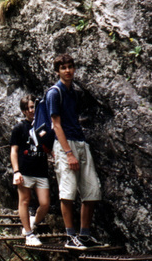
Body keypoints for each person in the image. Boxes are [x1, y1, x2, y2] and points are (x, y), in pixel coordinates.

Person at [48, 53, 104, 249]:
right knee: (68, 191)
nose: (68, 71)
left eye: (70, 67)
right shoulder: (54, 93)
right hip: (66, 144)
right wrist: (68, 153)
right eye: (63, 68)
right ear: (57, 71)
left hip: (80, 141)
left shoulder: (73, 92)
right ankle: (70, 236)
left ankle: (85, 235)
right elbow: (56, 125)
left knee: (92, 190)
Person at [10, 94, 51, 246]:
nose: (32, 110)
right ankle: (29, 234)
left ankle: (33, 223)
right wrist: (16, 171)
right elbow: (14, 151)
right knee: (24, 201)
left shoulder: (44, 125)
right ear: (24, 111)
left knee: (45, 204)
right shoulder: (19, 128)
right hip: (25, 170)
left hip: (41, 171)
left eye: (34, 107)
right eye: (29, 108)